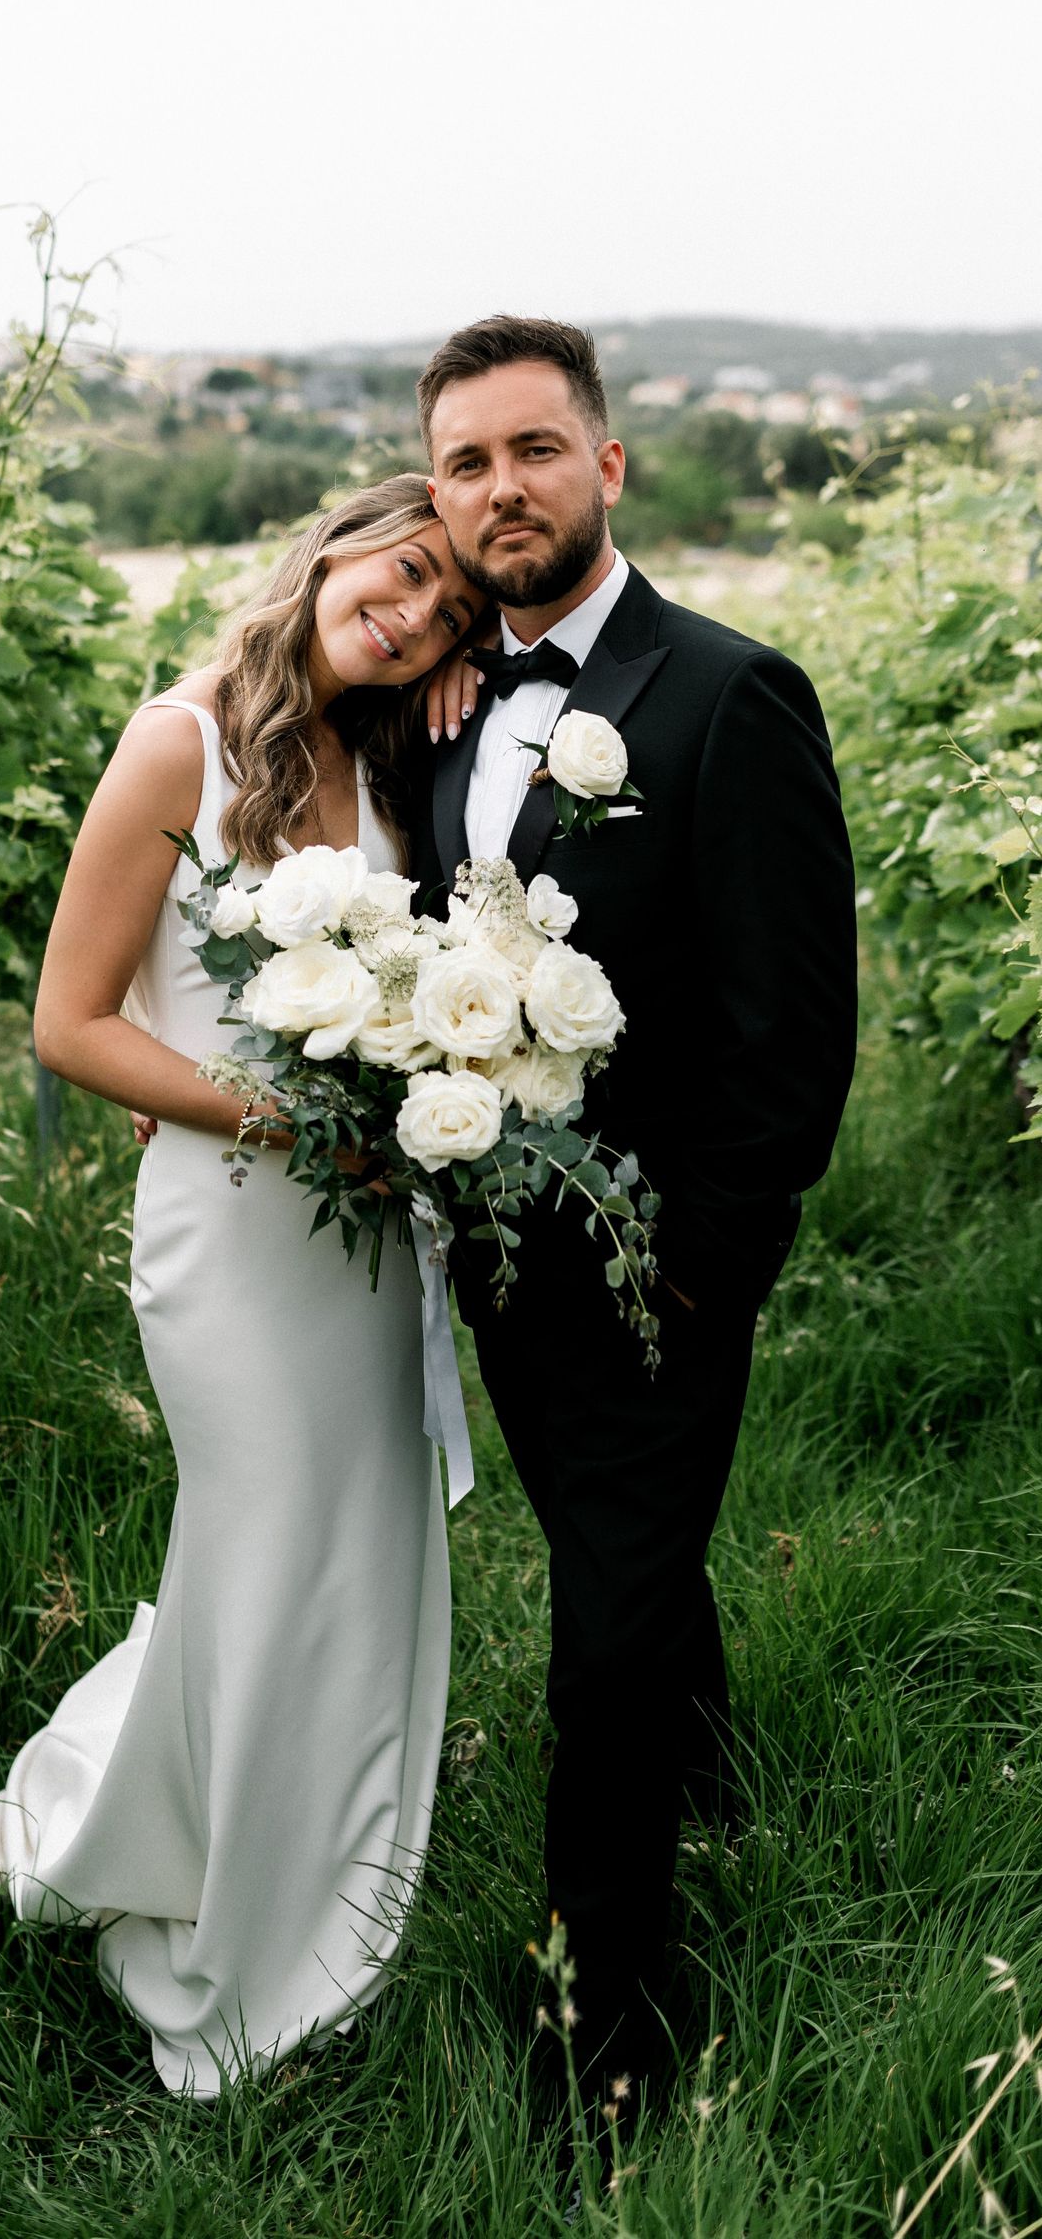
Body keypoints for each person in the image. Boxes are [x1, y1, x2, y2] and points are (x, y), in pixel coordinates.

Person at [0, 474, 484, 2097]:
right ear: (336, 545)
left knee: (355, 1556)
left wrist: (477, 678)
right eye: (407, 571)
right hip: (234, 1232)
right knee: (267, 1552)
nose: (413, 614)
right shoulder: (175, 741)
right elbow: (71, 1026)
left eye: (449, 613)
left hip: (368, 1243)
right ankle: (250, 1935)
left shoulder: (390, 758)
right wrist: (289, 1118)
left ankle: (332, 1862)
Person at [411, 316, 858, 2127]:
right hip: (498, 1256)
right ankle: (721, 1771)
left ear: (607, 465)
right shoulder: (433, 704)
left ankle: (607, 2056)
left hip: (659, 1265)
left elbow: (793, 1030)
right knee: (624, 1560)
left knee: (598, 1643)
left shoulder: (730, 694)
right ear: (436, 494)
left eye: (534, 449)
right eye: (466, 462)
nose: (501, 488)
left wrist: (704, 1265)